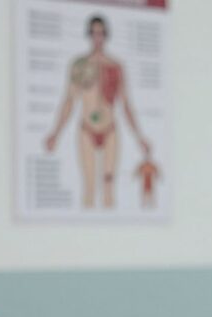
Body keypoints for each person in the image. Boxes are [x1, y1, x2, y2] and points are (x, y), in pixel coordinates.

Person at [45, 15, 151, 209]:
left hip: (110, 129)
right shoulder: (80, 65)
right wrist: (55, 133)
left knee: (109, 187)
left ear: (105, 35)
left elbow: (126, 104)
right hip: (86, 129)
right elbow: (69, 101)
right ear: (89, 35)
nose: (97, 38)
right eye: (94, 33)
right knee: (89, 187)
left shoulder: (116, 66)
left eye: (101, 33)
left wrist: (140, 137)